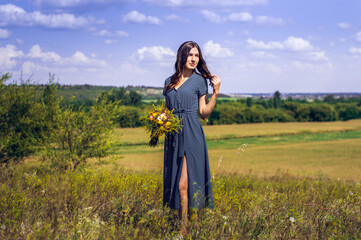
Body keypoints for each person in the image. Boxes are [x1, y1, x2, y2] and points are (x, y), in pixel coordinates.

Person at [162, 41, 221, 236]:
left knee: (186, 184)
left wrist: (216, 93)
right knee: (178, 185)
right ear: (182, 56)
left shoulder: (199, 81)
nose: (194, 59)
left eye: (197, 55)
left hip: (192, 133)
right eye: (190, 55)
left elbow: (204, 113)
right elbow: (166, 111)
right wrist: (160, 120)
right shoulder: (168, 82)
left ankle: (185, 230)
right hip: (173, 136)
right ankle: (190, 229)